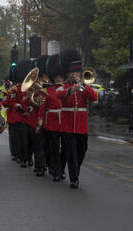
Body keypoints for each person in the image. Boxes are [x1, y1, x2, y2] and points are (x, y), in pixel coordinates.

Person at [56, 49, 98, 189]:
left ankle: (75, 172)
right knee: (71, 153)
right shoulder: (63, 87)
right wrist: (71, 90)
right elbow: (59, 95)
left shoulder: (84, 86)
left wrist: (84, 85)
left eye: (76, 73)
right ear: (67, 74)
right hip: (68, 125)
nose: (74, 75)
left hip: (81, 125)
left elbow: (93, 98)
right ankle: (74, 178)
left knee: (82, 150)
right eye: (71, 73)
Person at [38, 54, 65, 180]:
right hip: (52, 122)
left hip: (64, 121)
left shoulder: (67, 89)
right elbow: (43, 108)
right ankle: (55, 170)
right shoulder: (47, 91)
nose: (59, 78)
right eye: (57, 76)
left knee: (63, 148)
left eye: (60, 76)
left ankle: (61, 169)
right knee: (53, 147)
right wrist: (40, 122)